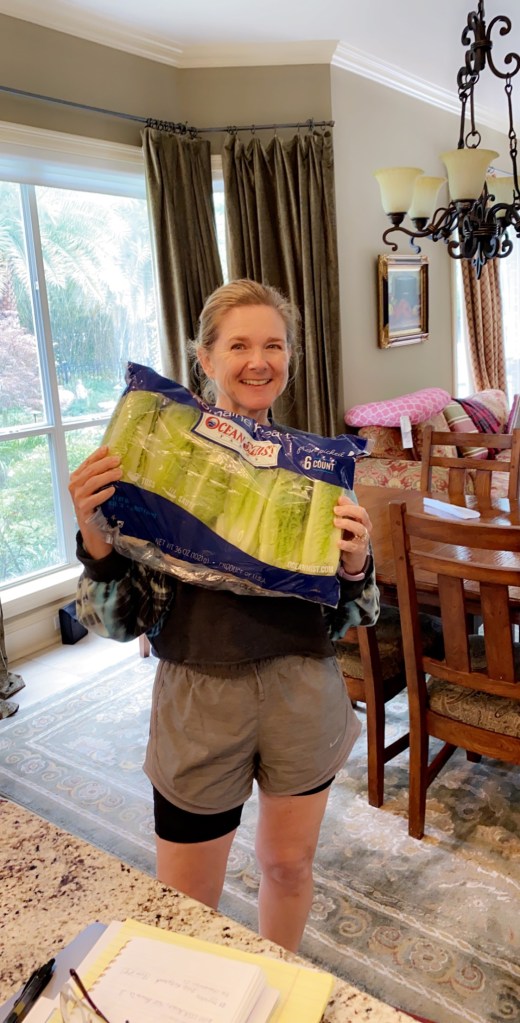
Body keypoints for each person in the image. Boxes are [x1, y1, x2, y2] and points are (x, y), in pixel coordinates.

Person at [69, 279, 379, 953]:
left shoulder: (318, 470)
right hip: (199, 698)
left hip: (304, 694)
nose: (258, 361)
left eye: (274, 345)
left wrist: (356, 564)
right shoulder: (160, 458)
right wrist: (97, 541)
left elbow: (350, 620)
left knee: (289, 866)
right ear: (205, 358)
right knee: (185, 904)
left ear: (290, 357)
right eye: (239, 345)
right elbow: (118, 624)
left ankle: (279, 977)